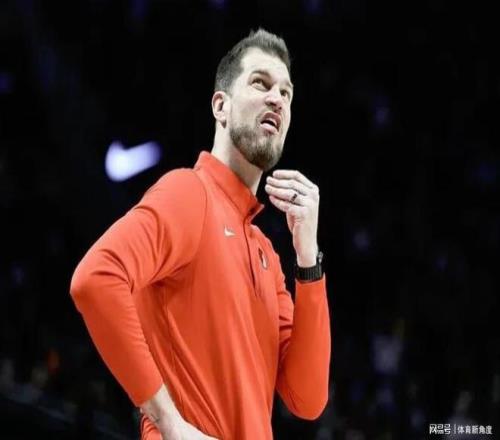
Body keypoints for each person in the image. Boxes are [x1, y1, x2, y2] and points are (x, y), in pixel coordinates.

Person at [70, 28, 331, 440]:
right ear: (220, 106)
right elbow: (95, 280)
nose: (277, 99)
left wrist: (308, 260)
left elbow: (308, 398)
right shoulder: (189, 193)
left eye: (286, 93)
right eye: (261, 83)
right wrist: (169, 423)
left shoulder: (265, 252)